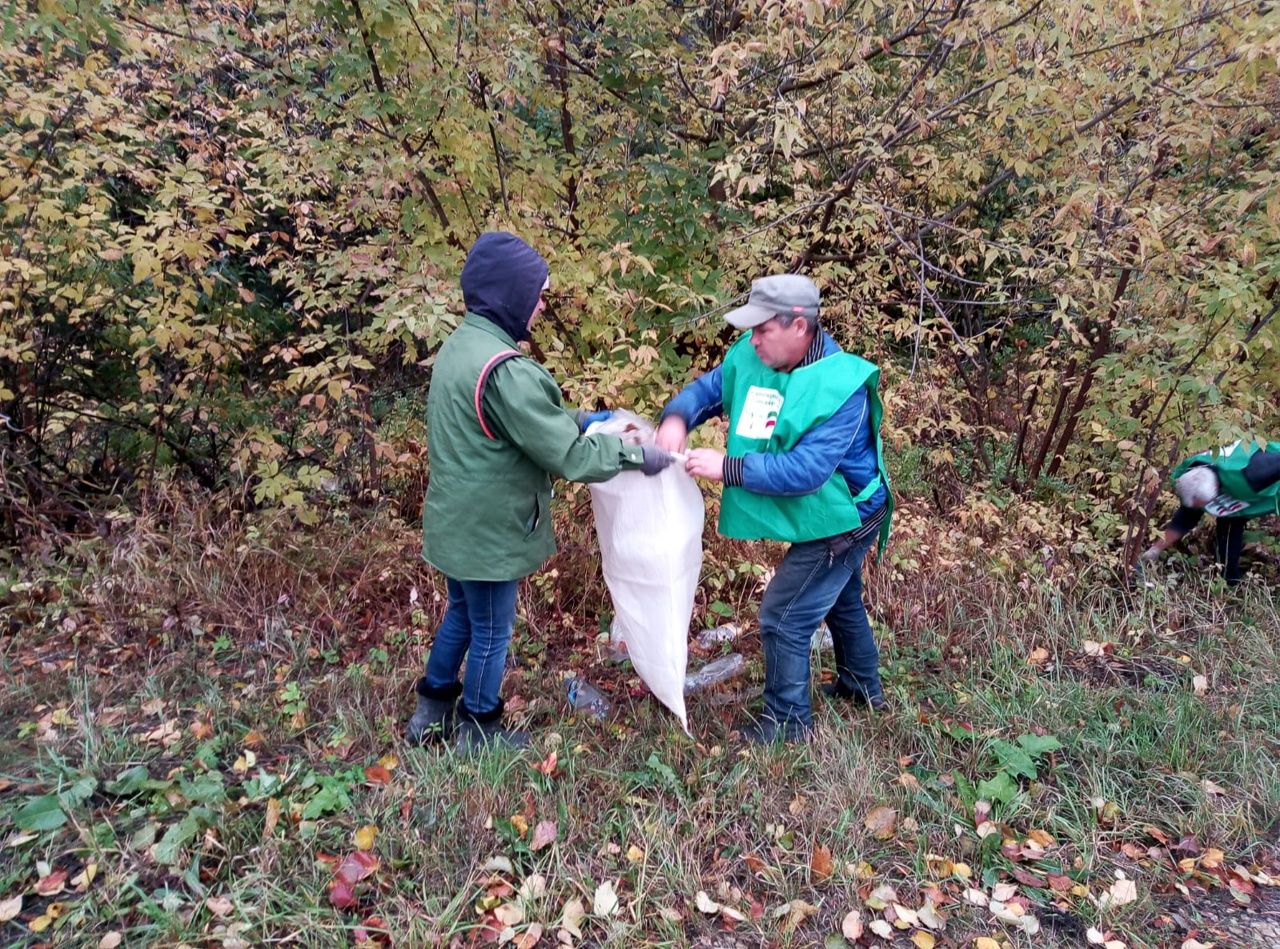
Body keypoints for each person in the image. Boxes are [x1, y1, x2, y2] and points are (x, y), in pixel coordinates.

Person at [408, 232, 674, 751]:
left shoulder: (464, 345)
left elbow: (525, 422)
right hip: (489, 531)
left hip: (456, 522)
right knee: (491, 631)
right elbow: (570, 457)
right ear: (510, 293)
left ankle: (430, 714)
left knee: (462, 613)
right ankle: (478, 728)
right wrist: (638, 455)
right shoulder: (505, 369)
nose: (542, 305)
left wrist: (584, 418)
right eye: (538, 293)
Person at [656, 274, 893, 743]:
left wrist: (728, 467)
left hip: (848, 516)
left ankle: (787, 723)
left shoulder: (840, 386)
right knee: (839, 597)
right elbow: (708, 390)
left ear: (799, 327)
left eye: (762, 329)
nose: (752, 339)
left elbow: (805, 471)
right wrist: (677, 417)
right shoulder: (757, 355)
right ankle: (862, 689)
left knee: (784, 614)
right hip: (823, 512)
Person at [1141, 439, 1280, 585]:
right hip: (1240, 492)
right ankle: (1229, 581)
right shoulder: (1197, 472)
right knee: (1228, 528)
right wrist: (1154, 551)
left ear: (1215, 491)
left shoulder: (1256, 471)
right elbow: (1185, 518)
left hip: (1267, 482)